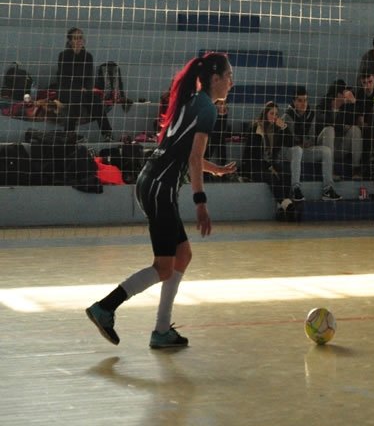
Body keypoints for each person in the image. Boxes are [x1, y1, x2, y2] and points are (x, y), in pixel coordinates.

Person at [85, 52, 236, 348]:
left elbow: (184, 153)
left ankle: (162, 330)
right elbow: (192, 158)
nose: (233, 82)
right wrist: (201, 203)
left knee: (183, 256)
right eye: (229, 76)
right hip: (160, 189)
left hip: (151, 181)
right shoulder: (207, 110)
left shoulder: (193, 101)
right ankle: (105, 307)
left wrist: (214, 168)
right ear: (215, 79)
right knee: (164, 266)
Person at [282, 87, 342, 202]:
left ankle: (328, 189)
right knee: (297, 149)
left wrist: (307, 142)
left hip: (304, 149)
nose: (303, 103)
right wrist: (301, 142)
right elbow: (289, 140)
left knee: (326, 151)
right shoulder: (287, 116)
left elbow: (312, 137)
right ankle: (295, 189)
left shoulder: (311, 114)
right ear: (294, 102)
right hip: (289, 151)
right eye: (300, 100)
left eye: (305, 100)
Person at [56, 27, 114, 140]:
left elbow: (89, 77)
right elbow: (64, 78)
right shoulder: (63, 56)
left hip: (83, 90)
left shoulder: (88, 56)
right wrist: (77, 88)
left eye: (81, 38)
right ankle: (70, 133)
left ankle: (107, 133)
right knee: (76, 97)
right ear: (70, 41)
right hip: (66, 89)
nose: (79, 40)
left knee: (96, 100)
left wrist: (86, 88)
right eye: (76, 38)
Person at [240, 101, 296, 206]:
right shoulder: (256, 129)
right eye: (271, 113)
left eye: (276, 114)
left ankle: (283, 204)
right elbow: (254, 156)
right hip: (254, 165)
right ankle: (285, 203)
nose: (274, 116)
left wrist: (284, 127)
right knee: (272, 177)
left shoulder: (276, 129)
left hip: (269, 163)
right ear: (265, 113)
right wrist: (270, 167)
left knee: (286, 174)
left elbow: (291, 143)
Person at [316, 79, 363, 178]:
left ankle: (356, 170)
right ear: (338, 94)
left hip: (339, 146)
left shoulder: (347, 106)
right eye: (346, 91)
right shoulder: (324, 103)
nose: (349, 93)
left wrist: (354, 102)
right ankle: (329, 171)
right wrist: (340, 126)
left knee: (355, 130)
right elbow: (322, 122)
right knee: (329, 130)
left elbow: (354, 120)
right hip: (324, 145)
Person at [204, 99, 232, 181]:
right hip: (212, 136)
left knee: (223, 156)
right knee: (207, 155)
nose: (223, 105)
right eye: (221, 103)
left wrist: (223, 114)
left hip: (221, 137)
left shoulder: (225, 112)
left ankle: (223, 176)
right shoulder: (212, 112)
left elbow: (224, 126)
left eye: (224, 103)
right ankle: (205, 175)